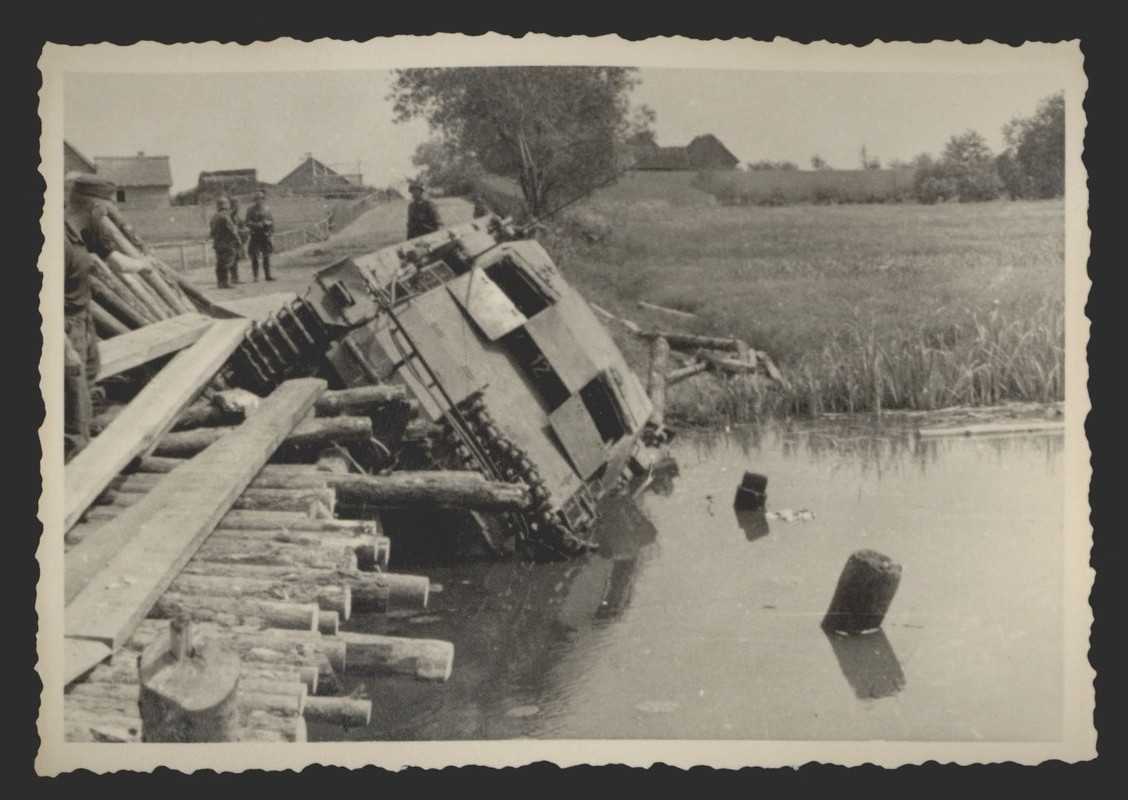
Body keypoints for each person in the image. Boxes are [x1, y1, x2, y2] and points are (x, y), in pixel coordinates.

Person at [63, 174, 156, 460]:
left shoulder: (84, 231)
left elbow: (116, 262)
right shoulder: (58, 241)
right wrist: (64, 347)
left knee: (89, 375)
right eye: (105, 209)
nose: (107, 216)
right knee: (73, 398)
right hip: (63, 327)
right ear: (93, 207)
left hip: (82, 320)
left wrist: (143, 264)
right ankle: (72, 465)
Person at [210, 197, 242, 288]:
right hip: (227, 243)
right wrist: (238, 240)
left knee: (220, 262)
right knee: (227, 262)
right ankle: (226, 282)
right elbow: (232, 230)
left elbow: (212, 232)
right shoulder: (225, 216)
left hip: (217, 243)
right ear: (226, 205)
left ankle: (220, 282)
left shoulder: (214, 217)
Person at [245, 190, 276, 281]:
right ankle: (255, 276)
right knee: (254, 256)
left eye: (261, 198)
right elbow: (247, 222)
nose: (260, 200)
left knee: (266, 255)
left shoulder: (267, 209)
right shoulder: (250, 210)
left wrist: (268, 224)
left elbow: (272, 220)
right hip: (255, 234)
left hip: (265, 234)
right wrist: (256, 225)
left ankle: (268, 275)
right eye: (258, 199)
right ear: (255, 200)